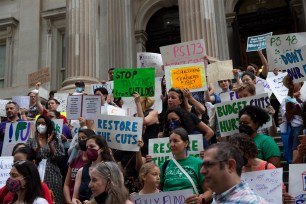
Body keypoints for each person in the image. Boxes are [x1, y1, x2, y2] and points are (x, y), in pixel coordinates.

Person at [228, 133, 295, 203]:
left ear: (248, 150)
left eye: (238, 152)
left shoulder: (268, 168)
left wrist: (284, 197)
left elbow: (280, 194)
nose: (236, 156)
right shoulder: (234, 170)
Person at [200, 142, 267, 203]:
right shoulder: (217, 199)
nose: (202, 171)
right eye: (202, 166)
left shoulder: (252, 202)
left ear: (230, 165)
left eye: (209, 164)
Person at [159, 128, 212, 203]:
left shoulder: (198, 163)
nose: (171, 144)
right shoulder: (164, 165)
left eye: (175, 141)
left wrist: (201, 199)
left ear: (186, 143)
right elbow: (156, 191)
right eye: (170, 141)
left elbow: (208, 191)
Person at [26, 115, 65, 203]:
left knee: (53, 197)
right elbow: (28, 156)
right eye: (38, 123)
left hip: (52, 172)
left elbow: (60, 156)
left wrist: (50, 144)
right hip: (34, 171)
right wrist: (38, 147)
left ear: (48, 125)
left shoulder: (55, 139)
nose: (40, 125)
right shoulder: (32, 140)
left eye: (43, 123)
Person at [72, 135, 114, 204]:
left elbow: (115, 194)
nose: (89, 149)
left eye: (92, 146)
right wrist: (75, 202)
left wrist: (92, 202)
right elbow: (74, 197)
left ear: (102, 148)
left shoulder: (111, 170)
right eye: (87, 147)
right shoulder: (81, 171)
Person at [63, 129, 95, 204]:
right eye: (79, 139)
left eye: (84, 138)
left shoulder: (94, 161)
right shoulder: (74, 160)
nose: (81, 140)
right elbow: (67, 185)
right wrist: (69, 201)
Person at [133, 92, 159, 156]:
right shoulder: (135, 114)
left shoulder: (153, 112)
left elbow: (142, 122)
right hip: (137, 146)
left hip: (148, 147)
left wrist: (138, 103)